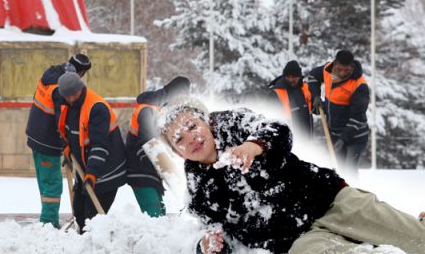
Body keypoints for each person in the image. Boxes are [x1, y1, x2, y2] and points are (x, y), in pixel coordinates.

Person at [158, 97, 425, 253]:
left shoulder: (232, 123)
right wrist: (208, 245)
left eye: (193, 125)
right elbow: (216, 232)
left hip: (329, 201)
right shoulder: (198, 188)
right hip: (297, 241)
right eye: (179, 139)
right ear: (178, 153)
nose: (191, 138)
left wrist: (254, 145)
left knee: (417, 240)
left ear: (206, 120)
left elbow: (278, 130)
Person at [25, 53, 92, 228]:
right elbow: (61, 120)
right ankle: (49, 223)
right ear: (81, 72)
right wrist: (67, 145)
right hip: (47, 140)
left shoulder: (52, 73)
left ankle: (47, 219)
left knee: (45, 182)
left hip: (35, 135)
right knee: (52, 184)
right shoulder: (62, 88)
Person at [56, 72, 127, 231]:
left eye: (75, 94)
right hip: (85, 169)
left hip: (106, 170)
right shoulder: (67, 105)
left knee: (92, 218)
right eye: (68, 96)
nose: (72, 98)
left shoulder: (97, 108)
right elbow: (65, 129)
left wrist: (93, 172)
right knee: (79, 212)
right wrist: (66, 146)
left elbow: (100, 145)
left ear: (81, 88)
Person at [126, 76, 190, 217]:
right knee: (154, 216)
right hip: (140, 172)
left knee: (160, 214)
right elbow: (147, 143)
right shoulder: (147, 110)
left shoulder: (157, 110)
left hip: (150, 173)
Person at [307, 50, 369, 178]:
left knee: (349, 172)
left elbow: (357, 119)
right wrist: (315, 96)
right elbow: (312, 77)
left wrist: (343, 139)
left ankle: (354, 196)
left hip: (355, 136)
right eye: (339, 69)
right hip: (334, 133)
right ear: (335, 64)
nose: (342, 73)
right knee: (338, 172)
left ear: (352, 66)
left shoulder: (359, 86)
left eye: (346, 70)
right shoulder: (326, 70)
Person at [267, 60, 313, 138]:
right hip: (287, 139)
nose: (291, 80)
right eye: (288, 77)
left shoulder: (305, 88)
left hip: (306, 138)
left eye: (294, 77)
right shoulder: (275, 93)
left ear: (299, 76)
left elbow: (312, 107)